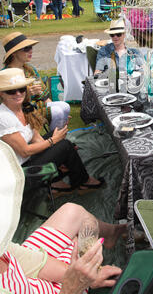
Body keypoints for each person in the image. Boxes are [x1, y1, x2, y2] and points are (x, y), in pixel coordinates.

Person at [0, 154, 125, 294]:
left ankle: (111, 234)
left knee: (75, 214)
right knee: (78, 242)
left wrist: (82, 275)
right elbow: (25, 150)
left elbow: (22, 258)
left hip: (24, 278)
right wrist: (72, 289)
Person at [0, 67, 104, 197]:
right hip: (20, 172)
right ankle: (83, 182)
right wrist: (53, 142)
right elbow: (25, 151)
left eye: (21, 89)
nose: (18, 94)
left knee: (61, 143)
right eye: (11, 91)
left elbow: (35, 138)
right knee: (64, 145)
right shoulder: (4, 117)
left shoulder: (23, 107)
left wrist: (55, 153)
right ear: (2, 94)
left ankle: (58, 183)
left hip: (28, 159)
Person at [2, 32, 70, 132]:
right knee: (57, 112)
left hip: (36, 106)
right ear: (14, 53)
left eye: (31, 47)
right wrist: (27, 94)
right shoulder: (5, 75)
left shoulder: (30, 70)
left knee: (65, 106)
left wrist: (63, 113)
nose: (31, 51)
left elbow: (44, 96)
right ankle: (54, 141)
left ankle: (57, 139)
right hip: (21, 111)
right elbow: (5, 104)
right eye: (26, 48)